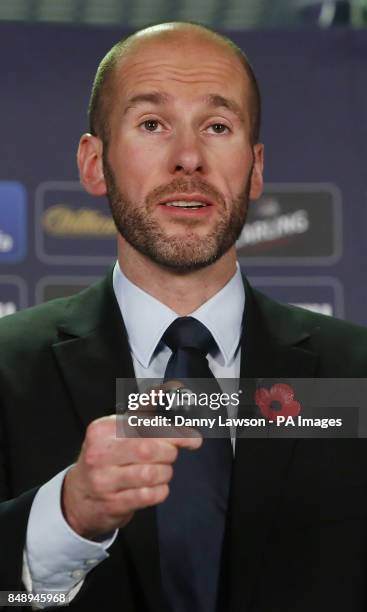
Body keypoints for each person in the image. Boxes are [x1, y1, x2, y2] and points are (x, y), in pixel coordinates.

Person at [1, 20, 367, 612]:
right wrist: (67, 517)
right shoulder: (6, 367)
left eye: (217, 127)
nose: (189, 158)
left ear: (256, 167)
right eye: (152, 124)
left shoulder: (355, 378)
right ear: (95, 164)